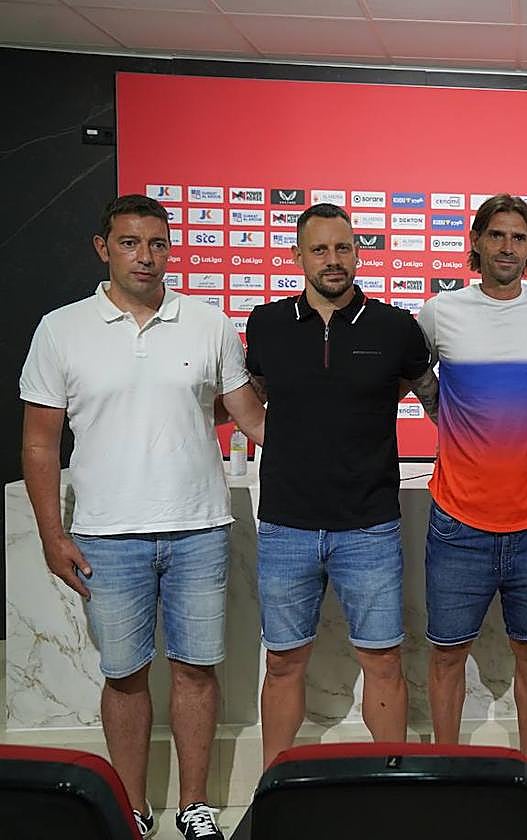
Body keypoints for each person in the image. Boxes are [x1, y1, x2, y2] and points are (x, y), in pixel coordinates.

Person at [20, 194, 264, 840]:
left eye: (156, 243)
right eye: (130, 243)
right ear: (104, 248)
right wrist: (52, 534)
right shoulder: (60, 329)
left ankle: (194, 806)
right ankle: (129, 808)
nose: (145, 257)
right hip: (106, 535)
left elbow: (253, 419)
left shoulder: (208, 323)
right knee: (123, 675)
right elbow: (41, 442)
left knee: (195, 669)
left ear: (169, 248)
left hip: (199, 528)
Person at [244, 203, 433, 768]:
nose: (333, 260)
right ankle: (273, 789)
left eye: (344, 248)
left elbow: (435, 401)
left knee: (384, 663)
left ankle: (392, 787)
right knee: (282, 664)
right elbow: (249, 397)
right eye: (320, 249)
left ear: (358, 252)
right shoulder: (266, 324)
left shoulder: (396, 327)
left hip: (369, 525)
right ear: (297, 256)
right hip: (285, 525)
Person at [418, 193, 527, 769]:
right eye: (497, 235)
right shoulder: (440, 313)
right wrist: (453, 420)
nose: (508, 247)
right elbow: (424, 385)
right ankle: (446, 774)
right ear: (477, 242)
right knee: (446, 656)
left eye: (520, 237)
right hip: (458, 522)